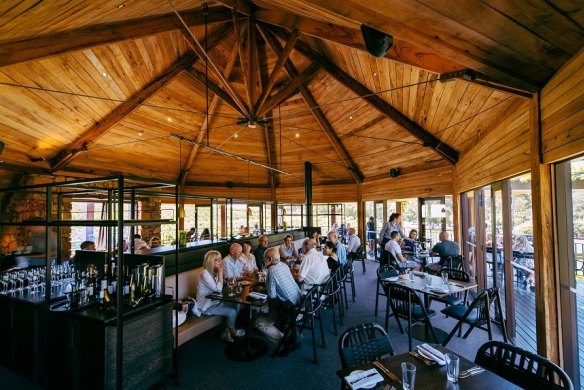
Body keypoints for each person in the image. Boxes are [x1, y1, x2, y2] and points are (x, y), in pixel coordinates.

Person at [255, 247, 302, 352]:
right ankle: (287, 333)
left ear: (270, 260)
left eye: (264, 259)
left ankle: (285, 340)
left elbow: (272, 296)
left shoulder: (271, 271)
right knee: (264, 308)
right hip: (300, 304)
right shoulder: (283, 265)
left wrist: (261, 289)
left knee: (258, 321)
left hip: (290, 311)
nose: (263, 261)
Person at [196, 251, 245, 342]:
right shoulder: (205, 273)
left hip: (216, 301)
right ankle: (232, 330)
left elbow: (221, 286)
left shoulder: (213, 272)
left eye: (220, 259)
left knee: (237, 304)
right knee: (232, 312)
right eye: (216, 260)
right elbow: (218, 289)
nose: (220, 261)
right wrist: (221, 272)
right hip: (206, 306)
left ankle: (227, 329)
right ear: (210, 261)